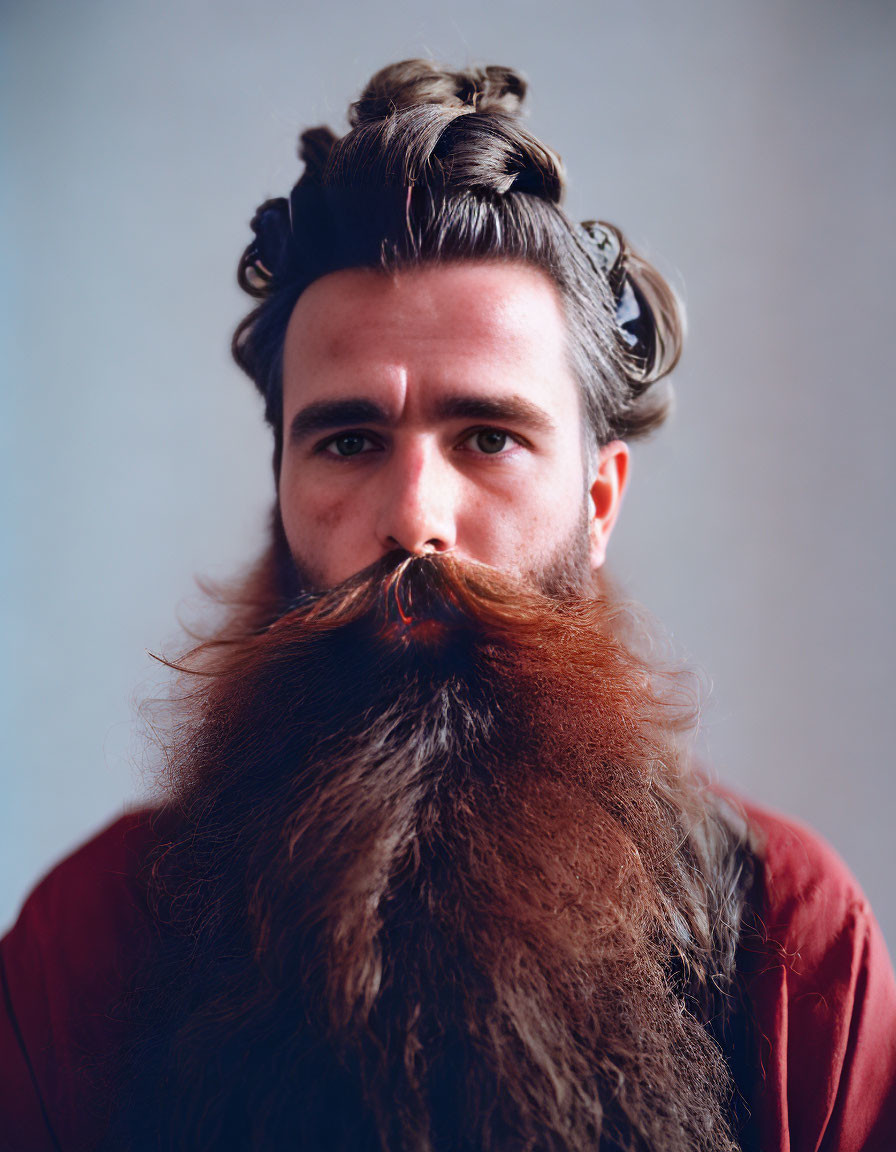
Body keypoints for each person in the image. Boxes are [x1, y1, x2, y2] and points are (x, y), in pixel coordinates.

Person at [2, 59, 895, 1152]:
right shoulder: (85, 946)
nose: (414, 518)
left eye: (488, 438)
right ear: (280, 485)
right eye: (347, 442)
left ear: (598, 498)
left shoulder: (794, 946)